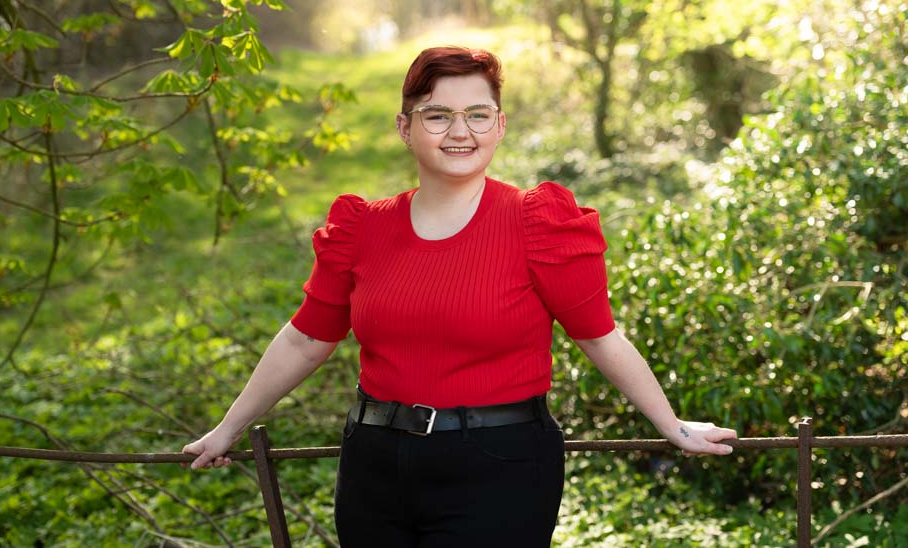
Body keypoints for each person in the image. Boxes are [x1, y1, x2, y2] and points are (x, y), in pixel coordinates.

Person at [182, 46, 738, 547]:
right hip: (374, 465)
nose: (459, 131)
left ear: (499, 125)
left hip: (499, 465)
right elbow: (306, 338)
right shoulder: (361, 228)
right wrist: (228, 428)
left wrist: (672, 425)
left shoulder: (539, 223)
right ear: (405, 127)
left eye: (477, 114)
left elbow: (598, 336)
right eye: (437, 115)